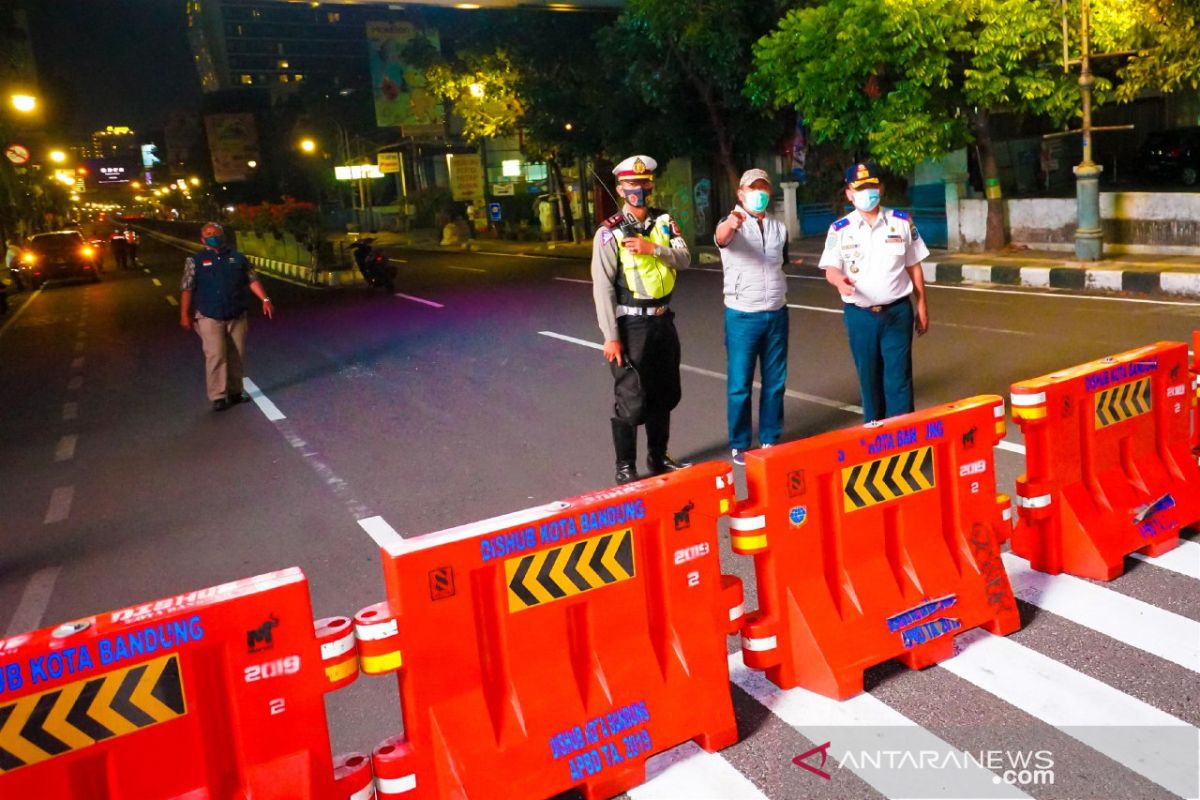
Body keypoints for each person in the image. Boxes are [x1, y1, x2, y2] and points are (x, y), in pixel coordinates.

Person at [591, 155, 691, 485]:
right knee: (632, 399)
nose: (639, 190)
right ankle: (625, 466)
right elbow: (603, 286)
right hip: (631, 325)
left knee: (664, 393)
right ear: (620, 189)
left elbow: (685, 258)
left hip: (663, 321)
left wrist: (653, 249)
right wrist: (611, 335)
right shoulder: (609, 234)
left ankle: (658, 457)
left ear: (652, 186)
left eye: (645, 183)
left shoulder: (664, 222)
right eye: (632, 185)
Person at [819, 162, 930, 423]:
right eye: (860, 189)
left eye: (871, 187)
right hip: (861, 316)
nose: (867, 193)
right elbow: (830, 269)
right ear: (849, 194)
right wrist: (840, 282)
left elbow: (914, 265)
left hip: (897, 312)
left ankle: (904, 441)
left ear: (880, 188)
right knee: (869, 381)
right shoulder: (840, 229)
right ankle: (876, 442)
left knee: (899, 379)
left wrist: (923, 304)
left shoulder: (901, 222)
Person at [713, 168, 789, 465]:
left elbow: (780, 262)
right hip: (742, 316)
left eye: (764, 188)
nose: (759, 193)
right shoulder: (731, 223)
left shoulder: (778, 228)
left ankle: (770, 437)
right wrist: (731, 224)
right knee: (740, 383)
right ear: (741, 194)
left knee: (775, 381)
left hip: (776, 313)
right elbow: (722, 237)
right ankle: (740, 443)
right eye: (752, 188)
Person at [179, 222, 275, 411]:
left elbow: (252, 279)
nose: (212, 235)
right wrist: (184, 314)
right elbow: (187, 288)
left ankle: (235, 391)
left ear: (223, 235)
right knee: (216, 355)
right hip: (209, 314)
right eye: (208, 233)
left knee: (236, 354)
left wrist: (265, 299)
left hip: (236, 313)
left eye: (215, 232)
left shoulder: (238, 258)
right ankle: (218, 396)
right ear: (202, 239)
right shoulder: (195, 261)